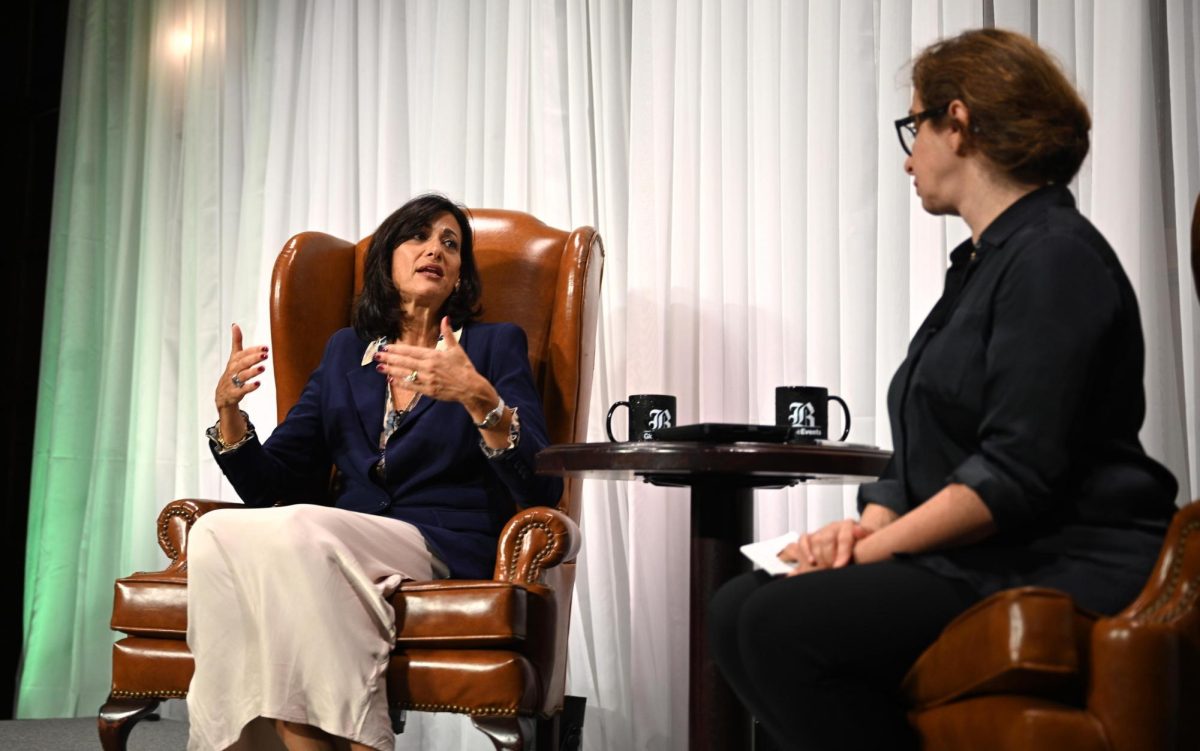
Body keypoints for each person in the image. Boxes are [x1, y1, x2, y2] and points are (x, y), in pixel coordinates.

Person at [708, 28, 1178, 751]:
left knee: (778, 624)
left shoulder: (1054, 258)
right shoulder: (983, 265)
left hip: (1060, 555)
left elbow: (1013, 475)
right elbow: (921, 446)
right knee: (738, 606)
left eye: (914, 125)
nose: (907, 155)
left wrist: (879, 547)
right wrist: (862, 529)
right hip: (985, 552)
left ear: (957, 124)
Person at [185, 194, 562, 751]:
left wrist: (479, 400)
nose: (435, 249)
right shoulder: (345, 353)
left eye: (451, 244)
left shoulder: (491, 345)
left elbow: (541, 483)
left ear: (460, 276)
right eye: (419, 237)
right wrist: (230, 415)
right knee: (213, 533)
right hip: (341, 540)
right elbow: (277, 483)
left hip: (441, 541)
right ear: (387, 261)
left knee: (300, 534)